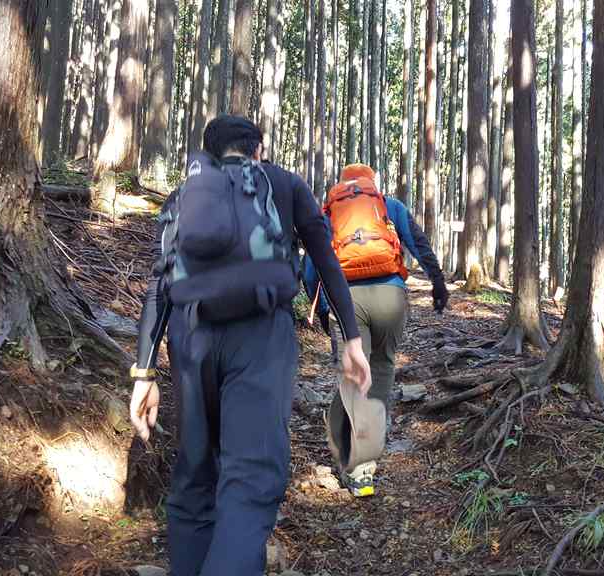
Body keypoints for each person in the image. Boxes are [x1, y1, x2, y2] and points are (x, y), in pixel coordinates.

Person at [128, 115, 371, 576]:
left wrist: (144, 372)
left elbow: (160, 284)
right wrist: (352, 341)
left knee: (195, 478)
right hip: (262, 338)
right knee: (250, 480)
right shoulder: (284, 184)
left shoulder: (187, 194)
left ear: (209, 153)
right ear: (258, 150)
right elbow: (326, 259)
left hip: (190, 337)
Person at [303, 163, 448, 497]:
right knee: (381, 369)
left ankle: (351, 462)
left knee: (354, 375)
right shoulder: (388, 205)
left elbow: (313, 265)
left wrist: (323, 308)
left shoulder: (330, 213)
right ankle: (363, 468)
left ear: (343, 186)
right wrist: (438, 281)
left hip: (347, 299)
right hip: (391, 298)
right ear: (371, 183)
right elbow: (418, 242)